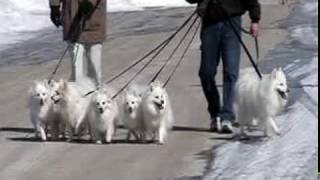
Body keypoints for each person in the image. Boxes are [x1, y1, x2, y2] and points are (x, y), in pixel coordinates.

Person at [186, 0, 261, 133]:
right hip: (210, 24)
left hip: (232, 23)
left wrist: (255, 19)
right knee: (206, 73)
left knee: (231, 72)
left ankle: (227, 116)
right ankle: (215, 114)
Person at [49, 0, 107, 86]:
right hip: (71, 22)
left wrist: (89, 2)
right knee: (76, 68)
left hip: (93, 22)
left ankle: (96, 92)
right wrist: (55, 6)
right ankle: (77, 95)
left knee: (94, 68)